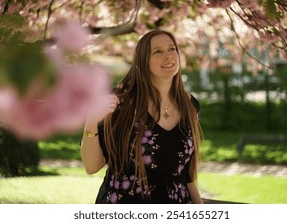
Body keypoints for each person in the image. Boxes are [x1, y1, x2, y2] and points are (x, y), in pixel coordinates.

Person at [80, 29, 203, 204]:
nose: (168, 56)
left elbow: (188, 177)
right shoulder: (119, 103)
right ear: (143, 60)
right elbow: (92, 167)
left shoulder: (190, 105)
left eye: (172, 49)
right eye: (158, 51)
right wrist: (91, 121)